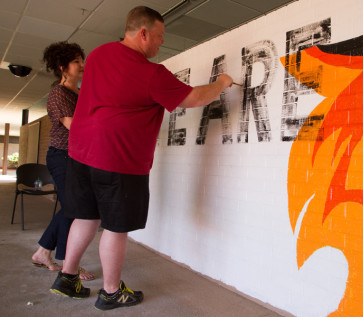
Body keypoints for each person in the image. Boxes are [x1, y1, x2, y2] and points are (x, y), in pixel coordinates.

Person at [49, 6, 233, 310]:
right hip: (118, 158)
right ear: (143, 33)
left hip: (81, 152)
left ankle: (67, 278)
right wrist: (222, 83)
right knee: (115, 226)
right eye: (159, 38)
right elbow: (196, 98)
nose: (161, 44)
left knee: (85, 216)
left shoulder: (97, 55)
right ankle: (110, 292)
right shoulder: (151, 74)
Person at [31, 42, 94, 281]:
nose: (82, 64)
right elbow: (73, 126)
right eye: (76, 61)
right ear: (63, 67)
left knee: (72, 208)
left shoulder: (80, 92)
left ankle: (43, 252)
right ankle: (70, 265)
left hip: (77, 157)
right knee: (76, 209)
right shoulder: (59, 92)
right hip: (62, 155)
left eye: (81, 60)